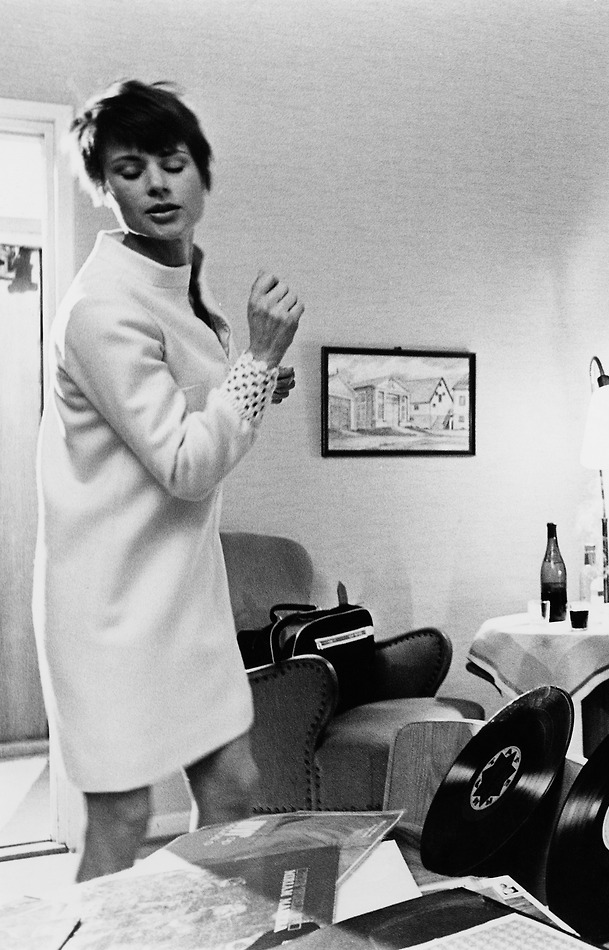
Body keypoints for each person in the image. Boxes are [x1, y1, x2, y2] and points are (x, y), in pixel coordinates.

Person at [33, 79, 304, 881]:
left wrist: (253, 380)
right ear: (104, 188)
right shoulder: (100, 307)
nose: (156, 184)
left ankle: (204, 931)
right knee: (119, 823)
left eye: (173, 163)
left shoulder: (175, 276)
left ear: (201, 172)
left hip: (182, 592)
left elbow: (173, 404)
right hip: (110, 605)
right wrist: (258, 359)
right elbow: (185, 464)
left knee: (232, 785)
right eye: (130, 170)